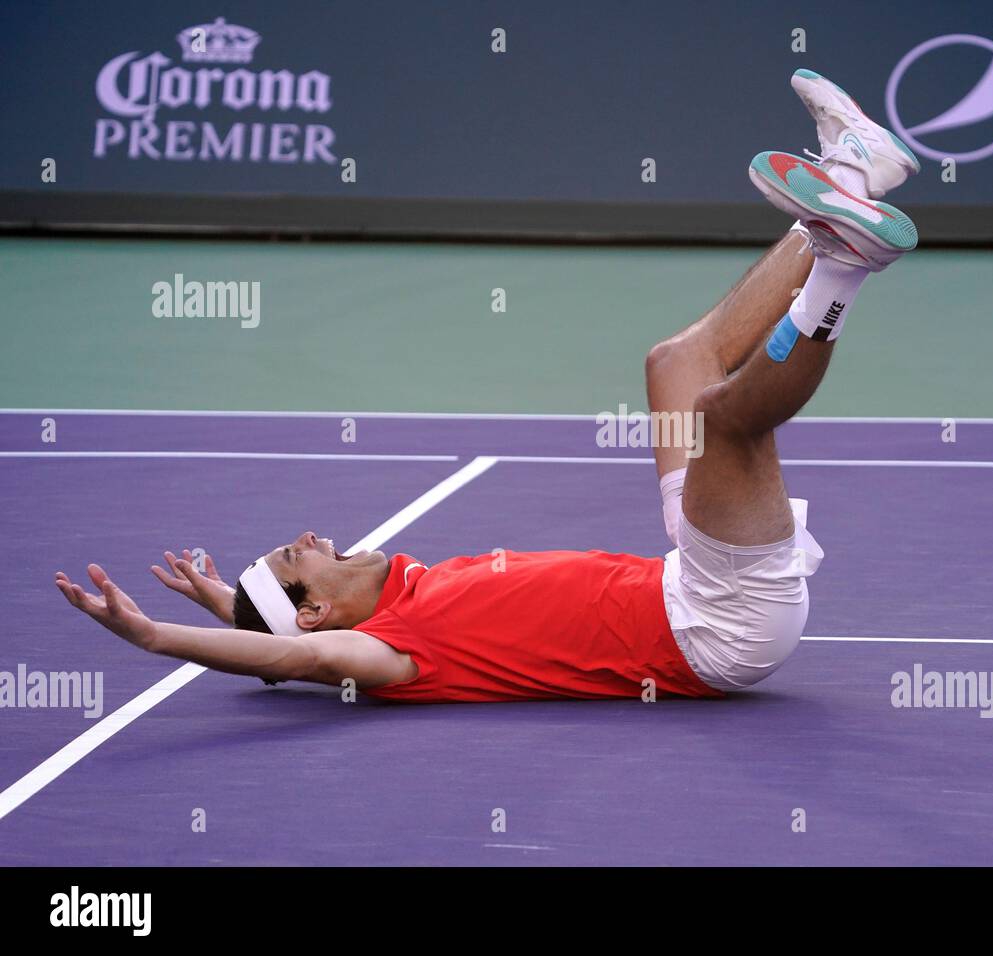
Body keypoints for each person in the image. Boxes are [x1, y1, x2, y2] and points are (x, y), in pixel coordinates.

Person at [55, 70, 919, 703]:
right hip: (719, 627)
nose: (313, 535)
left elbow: (282, 632)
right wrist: (156, 637)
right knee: (722, 423)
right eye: (298, 556)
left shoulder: (395, 590)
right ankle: (844, 267)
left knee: (674, 364)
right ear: (318, 613)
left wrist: (233, 601)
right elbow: (301, 660)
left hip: (681, 577)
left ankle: (855, 179)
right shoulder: (393, 650)